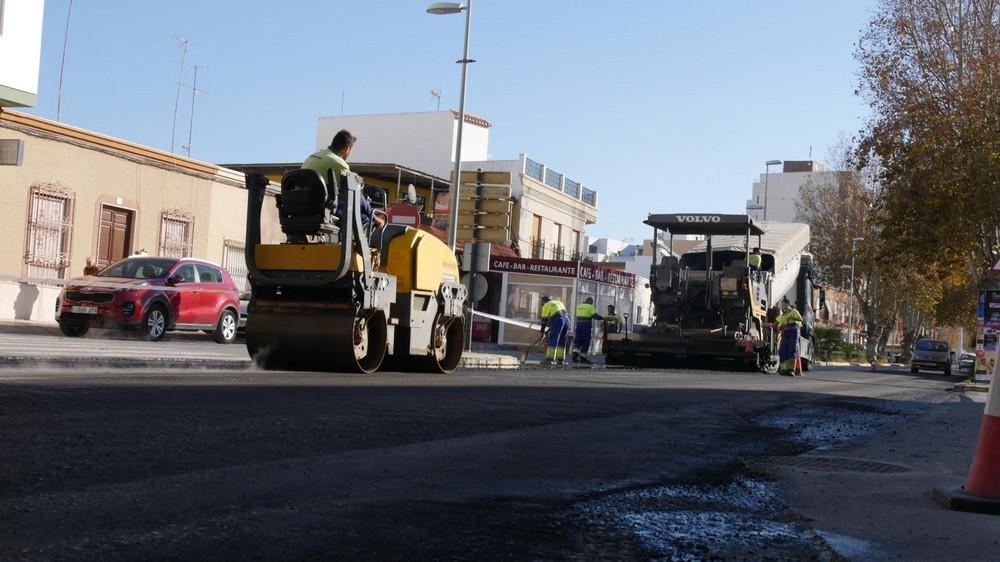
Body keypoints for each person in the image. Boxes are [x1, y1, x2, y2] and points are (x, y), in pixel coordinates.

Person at [302, 129, 384, 230]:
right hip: (322, 209)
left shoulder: (312, 157)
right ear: (346, 149)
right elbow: (355, 194)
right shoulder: (339, 163)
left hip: (302, 206)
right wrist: (373, 215)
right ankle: (354, 245)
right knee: (364, 217)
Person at [776, 297, 804, 375]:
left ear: (788, 304)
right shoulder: (783, 315)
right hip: (785, 332)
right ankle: (784, 369)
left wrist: (791, 317)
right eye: (782, 305)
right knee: (783, 350)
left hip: (793, 331)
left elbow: (801, 319)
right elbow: (777, 323)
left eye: (784, 304)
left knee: (792, 349)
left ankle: (791, 369)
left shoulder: (794, 311)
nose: (783, 306)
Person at [539, 295, 569, 366]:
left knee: (553, 338)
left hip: (558, 320)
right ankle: (560, 360)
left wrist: (542, 332)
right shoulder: (559, 302)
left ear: (544, 301)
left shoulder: (546, 305)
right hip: (566, 320)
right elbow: (558, 314)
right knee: (562, 339)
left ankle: (549, 360)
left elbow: (544, 321)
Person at [572, 297, 603, 364]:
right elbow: (594, 315)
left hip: (578, 326)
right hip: (586, 327)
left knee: (577, 340)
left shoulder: (579, 306)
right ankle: (583, 358)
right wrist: (602, 318)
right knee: (585, 341)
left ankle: (575, 354)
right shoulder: (590, 307)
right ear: (591, 302)